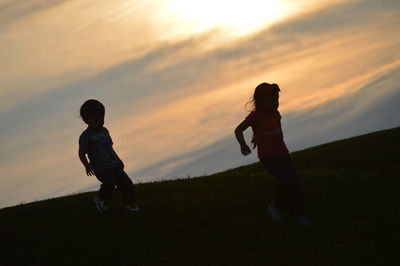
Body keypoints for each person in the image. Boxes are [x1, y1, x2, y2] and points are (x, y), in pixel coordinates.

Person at [234, 83, 311, 227]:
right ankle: (275, 207)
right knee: (286, 181)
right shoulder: (255, 116)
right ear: (262, 101)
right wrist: (243, 145)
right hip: (268, 157)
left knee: (296, 184)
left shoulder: (276, 114)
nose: (276, 103)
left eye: (277, 99)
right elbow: (238, 130)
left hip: (283, 154)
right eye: (272, 100)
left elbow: (278, 135)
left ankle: (298, 214)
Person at [78, 99, 139, 213]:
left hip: (114, 163)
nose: (101, 122)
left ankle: (129, 203)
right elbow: (81, 153)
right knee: (109, 181)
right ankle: (101, 199)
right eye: (97, 120)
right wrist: (87, 165)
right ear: (87, 120)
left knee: (125, 182)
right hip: (101, 167)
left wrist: (118, 159)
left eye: (102, 118)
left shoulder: (105, 131)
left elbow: (110, 148)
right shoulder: (86, 136)